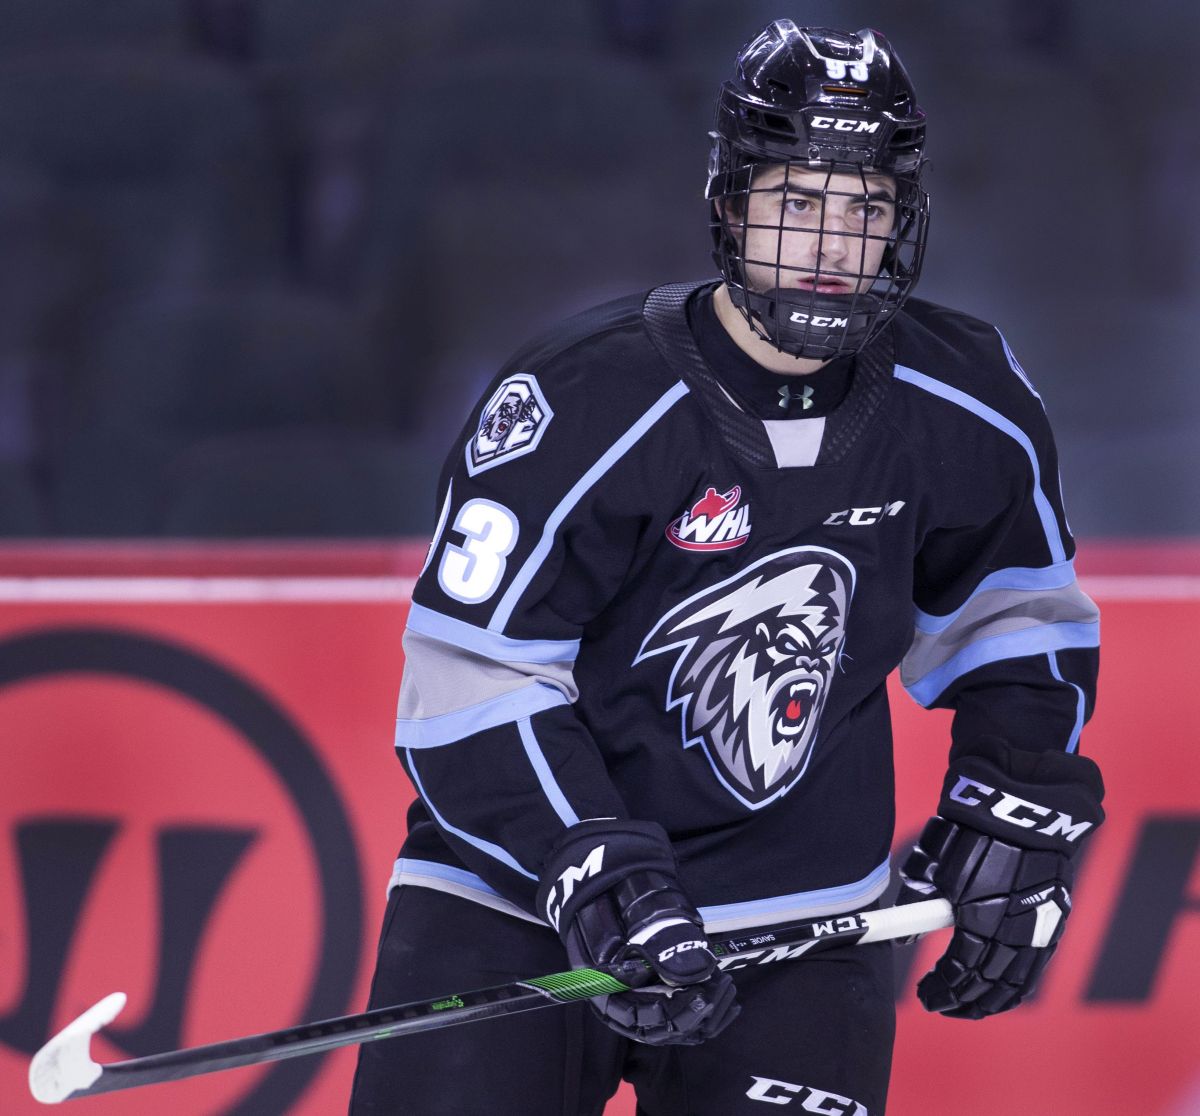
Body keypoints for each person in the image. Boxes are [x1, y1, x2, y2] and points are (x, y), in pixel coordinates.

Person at [350, 20, 1104, 1115]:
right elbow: (469, 680)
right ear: (732, 203)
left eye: (866, 209)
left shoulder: (966, 399)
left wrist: (1016, 795)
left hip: (802, 919)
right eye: (798, 202)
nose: (831, 244)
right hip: (519, 901)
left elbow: (1015, 616)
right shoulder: (583, 399)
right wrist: (589, 866)